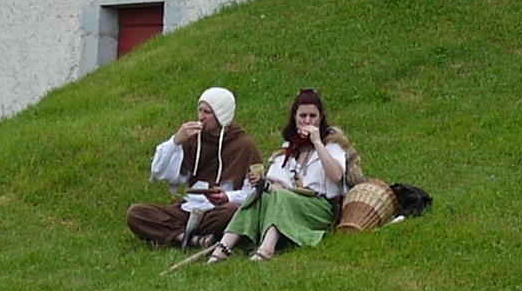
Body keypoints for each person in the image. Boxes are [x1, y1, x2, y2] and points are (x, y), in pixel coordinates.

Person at [208, 90, 354, 262]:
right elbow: (275, 184)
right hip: (289, 202)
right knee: (259, 197)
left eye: (312, 116)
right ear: (295, 118)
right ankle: (223, 247)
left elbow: (336, 176)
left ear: (320, 118)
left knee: (282, 197)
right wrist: (263, 184)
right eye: (302, 116)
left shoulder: (331, 146)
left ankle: (267, 248)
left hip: (319, 209)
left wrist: (317, 142)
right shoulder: (288, 149)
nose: (307, 121)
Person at [127, 88, 259, 248]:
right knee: (136, 213)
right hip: (189, 208)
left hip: (216, 212)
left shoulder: (244, 146)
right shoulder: (193, 139)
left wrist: (227, 197)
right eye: (200, 110)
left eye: (207, 112)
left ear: (221, 115)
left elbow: (253, 193)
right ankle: (193, 239)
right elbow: (159, 171)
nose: (201, 117)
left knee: (231, 212)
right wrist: (175, 141)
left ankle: (178, 234)